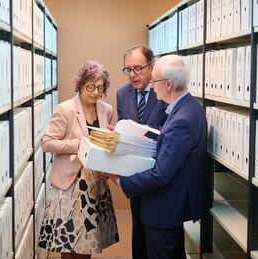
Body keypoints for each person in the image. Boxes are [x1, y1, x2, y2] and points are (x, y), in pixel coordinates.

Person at [109, 54, 210, 259]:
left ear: (169, 84)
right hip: (170, 205)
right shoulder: (188, 108)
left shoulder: (181, 120)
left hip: (164, 208)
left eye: (155, 82)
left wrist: (118, 180)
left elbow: (161, 174)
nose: (153, 87)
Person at [38, 60, 119, 259]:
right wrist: (79, 143)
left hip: (95, 183)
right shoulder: (65, 109)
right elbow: (47, 143)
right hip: (71, 185)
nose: (95, 92)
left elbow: (102, 144)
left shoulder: (106, 110)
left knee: (87, 244)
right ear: (80, 85)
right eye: (91, 86)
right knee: (69, 244)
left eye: (100, 88)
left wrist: (112, 139)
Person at [116, 45, 168, 259]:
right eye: (128, 69)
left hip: (159, 174)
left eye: (137, 69)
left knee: (158, 239)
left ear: (152, 67)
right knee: (138, 232)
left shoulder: (164, 92)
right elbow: (124, 126)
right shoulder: (122, 93)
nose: (132, 75)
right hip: (134, 172)